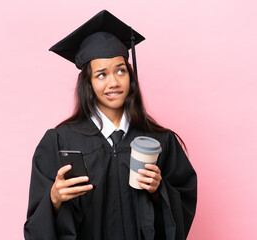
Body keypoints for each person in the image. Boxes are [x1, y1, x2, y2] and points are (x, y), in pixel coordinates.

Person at [24, 10, 197, 240]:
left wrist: (159, 191)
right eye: (101, 75)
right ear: (88, 82)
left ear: (130, 76)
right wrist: (54, 199)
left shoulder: (160, 142)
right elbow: (35, 227)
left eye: (120, 70)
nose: (113, 82)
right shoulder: (60, 141)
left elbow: (182, 206)